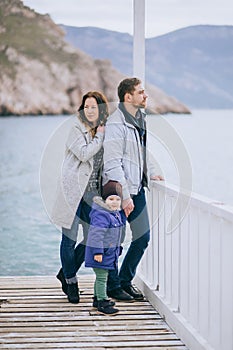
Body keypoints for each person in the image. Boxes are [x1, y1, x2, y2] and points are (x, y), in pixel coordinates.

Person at [103, 77, 163, 301]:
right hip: (119, 194)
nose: (145, 95)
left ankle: (125, 280)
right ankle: (112, 286)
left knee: (142, 237)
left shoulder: (139, 118)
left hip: (137, 189)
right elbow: (112, 163)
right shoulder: (117, 123)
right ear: (128, 97)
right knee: (114, 240)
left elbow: (142, 152)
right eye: (141, 92)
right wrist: (125, 196)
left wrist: (153, 171)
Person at [51, 91, 108, 303]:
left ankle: (65, 272)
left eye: (94, 106)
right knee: (69, 239)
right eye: (87, 106)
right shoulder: (76, 128)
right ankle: (71, 282)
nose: (90, 110)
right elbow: (84, 154)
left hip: (93, 195)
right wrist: (100, 136)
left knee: (94, 236)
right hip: (73, 191)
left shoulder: (104, 129)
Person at [85, 181, 126, 315]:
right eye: (111, 199)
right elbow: (95, 236)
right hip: (100, 253)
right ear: (104, 200)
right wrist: (97, 252)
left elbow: (115, 235)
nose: (114, 202)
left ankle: (97, 299)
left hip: (108, 253)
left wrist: (117, 248)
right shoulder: (101, 215)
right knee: (102, 278)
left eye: (118, 199)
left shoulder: (115, 214)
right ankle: (102, 302)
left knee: (101, 277)